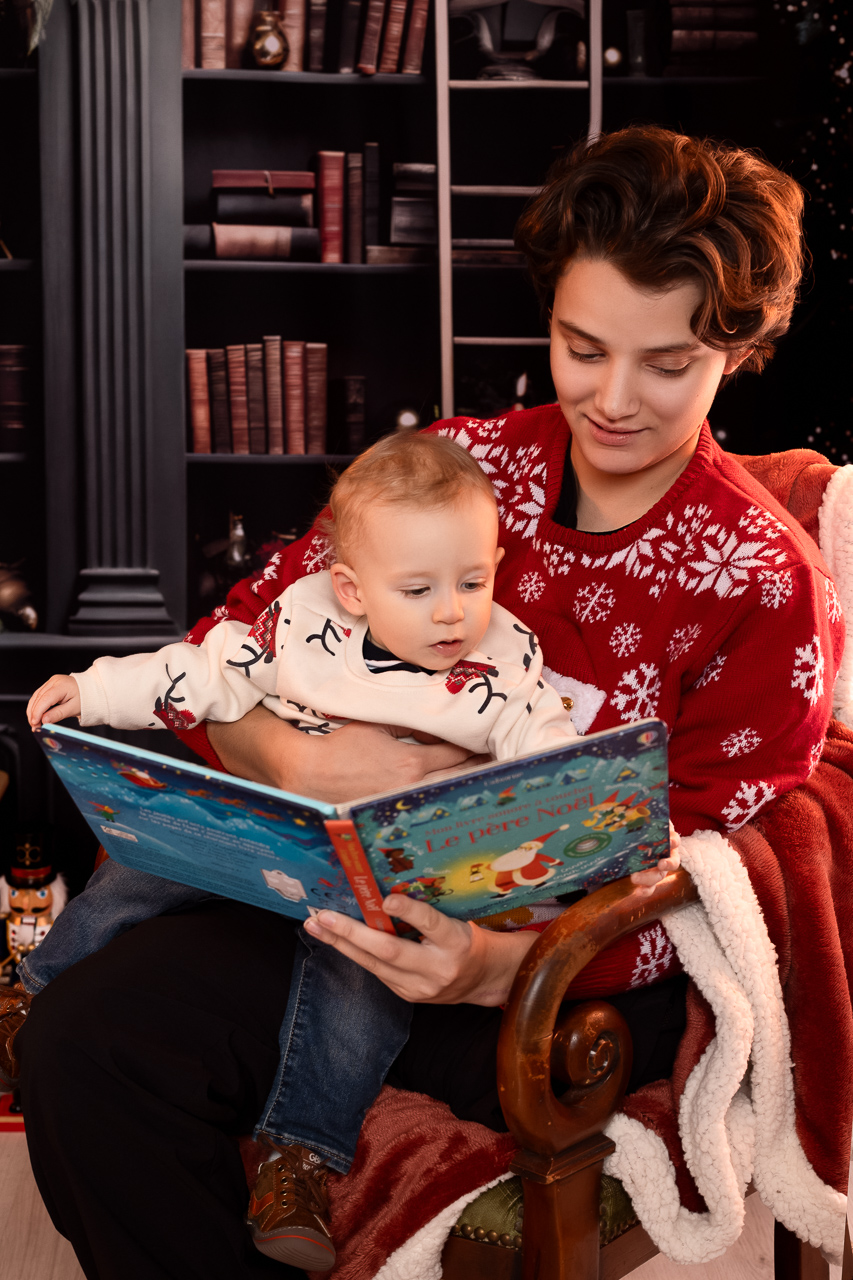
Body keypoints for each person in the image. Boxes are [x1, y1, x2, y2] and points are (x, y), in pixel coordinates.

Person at [14, 126, 844, 1280]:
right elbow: (239, 640)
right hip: (343, 915)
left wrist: (497, 967)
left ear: (736, 347)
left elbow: (710, 872)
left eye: (666, 363)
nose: (611, 399)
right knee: (81, 1042)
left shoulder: (762, 577)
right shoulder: (458, 467)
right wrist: (291, 761)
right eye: (579, 344)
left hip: (561, 982)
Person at [14, 431, 598, 1271]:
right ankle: (35, 987)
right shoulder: (303, 623)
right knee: (150, 859)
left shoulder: (502, 664)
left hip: (391, 889)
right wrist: (94, 690)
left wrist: (585, 825)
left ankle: (299, 1159)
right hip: (282, 834)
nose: (450, 611)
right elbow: (205, 672)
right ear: (352, 591)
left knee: (355, 980)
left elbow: (546, 758)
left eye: (474, 580)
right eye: (419, 588)